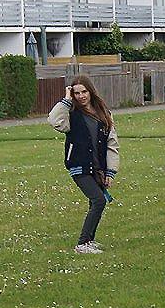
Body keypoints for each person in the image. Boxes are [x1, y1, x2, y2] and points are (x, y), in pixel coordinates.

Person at [49, 76, 120, 254]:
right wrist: (66, 100)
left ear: (90, 91)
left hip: (98, 168)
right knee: (98, 200)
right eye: (77, 93)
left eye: (84, 92)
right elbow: (54, 121)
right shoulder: (71, 114)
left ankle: (89, 241)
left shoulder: (103, 113)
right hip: (79, 166)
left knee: (94, 203)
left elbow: (112, 143)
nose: (81, 96)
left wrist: (110, 171)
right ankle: (82, 244)